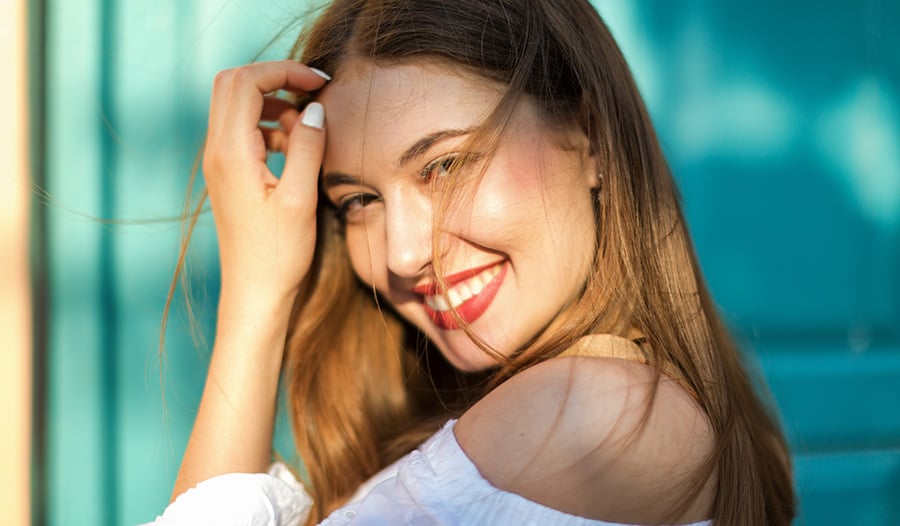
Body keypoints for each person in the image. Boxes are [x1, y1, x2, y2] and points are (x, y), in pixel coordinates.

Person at [149, 0, 795, 524]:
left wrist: (254, 296)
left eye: (446, 165)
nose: (403, 254)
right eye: (359, 200)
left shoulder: (595, 414)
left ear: (591, 136)